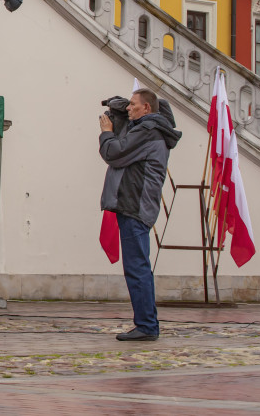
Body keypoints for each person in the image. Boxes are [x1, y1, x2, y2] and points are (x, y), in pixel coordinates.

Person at [99, 88, 181, 341]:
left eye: (134, 105)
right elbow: (128, 142)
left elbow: (114, 153)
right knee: (138, 266)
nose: (130, 109)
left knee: (137, 267)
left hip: (135, 205)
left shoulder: (148, 131)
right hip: (135, 203)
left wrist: (106, 133)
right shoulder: (151, 127)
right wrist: (123, 112)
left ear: (146, 109)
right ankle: (146, 323)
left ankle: (146, 325)